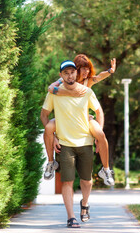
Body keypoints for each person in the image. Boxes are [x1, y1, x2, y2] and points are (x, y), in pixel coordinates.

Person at [40, 60, 103, 228]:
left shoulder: (86, 92)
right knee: (67, 181)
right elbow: (44, 115)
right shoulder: (54, 93)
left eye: (72, 72)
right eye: (66, 73)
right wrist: (51, 136)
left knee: (87, 181)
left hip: (85, 142)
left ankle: (85, 204)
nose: (70, 75)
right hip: (65, 144)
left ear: (76, 74)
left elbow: (98, 111)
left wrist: (98, 133)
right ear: (61, 75)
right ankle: (71, 217)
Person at [43, 54, 116, 186]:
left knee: (100, 134)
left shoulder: (89, 81)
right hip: (64, 116)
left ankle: (105, 170)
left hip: (82, 117)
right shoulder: (64, 81)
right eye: (83, 68)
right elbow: (50, 88)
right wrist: (70, 93)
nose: (86, 71)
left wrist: (110, 71)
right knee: (48, 128)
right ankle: (50, 162)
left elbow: (100, 76)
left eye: (87, 68)